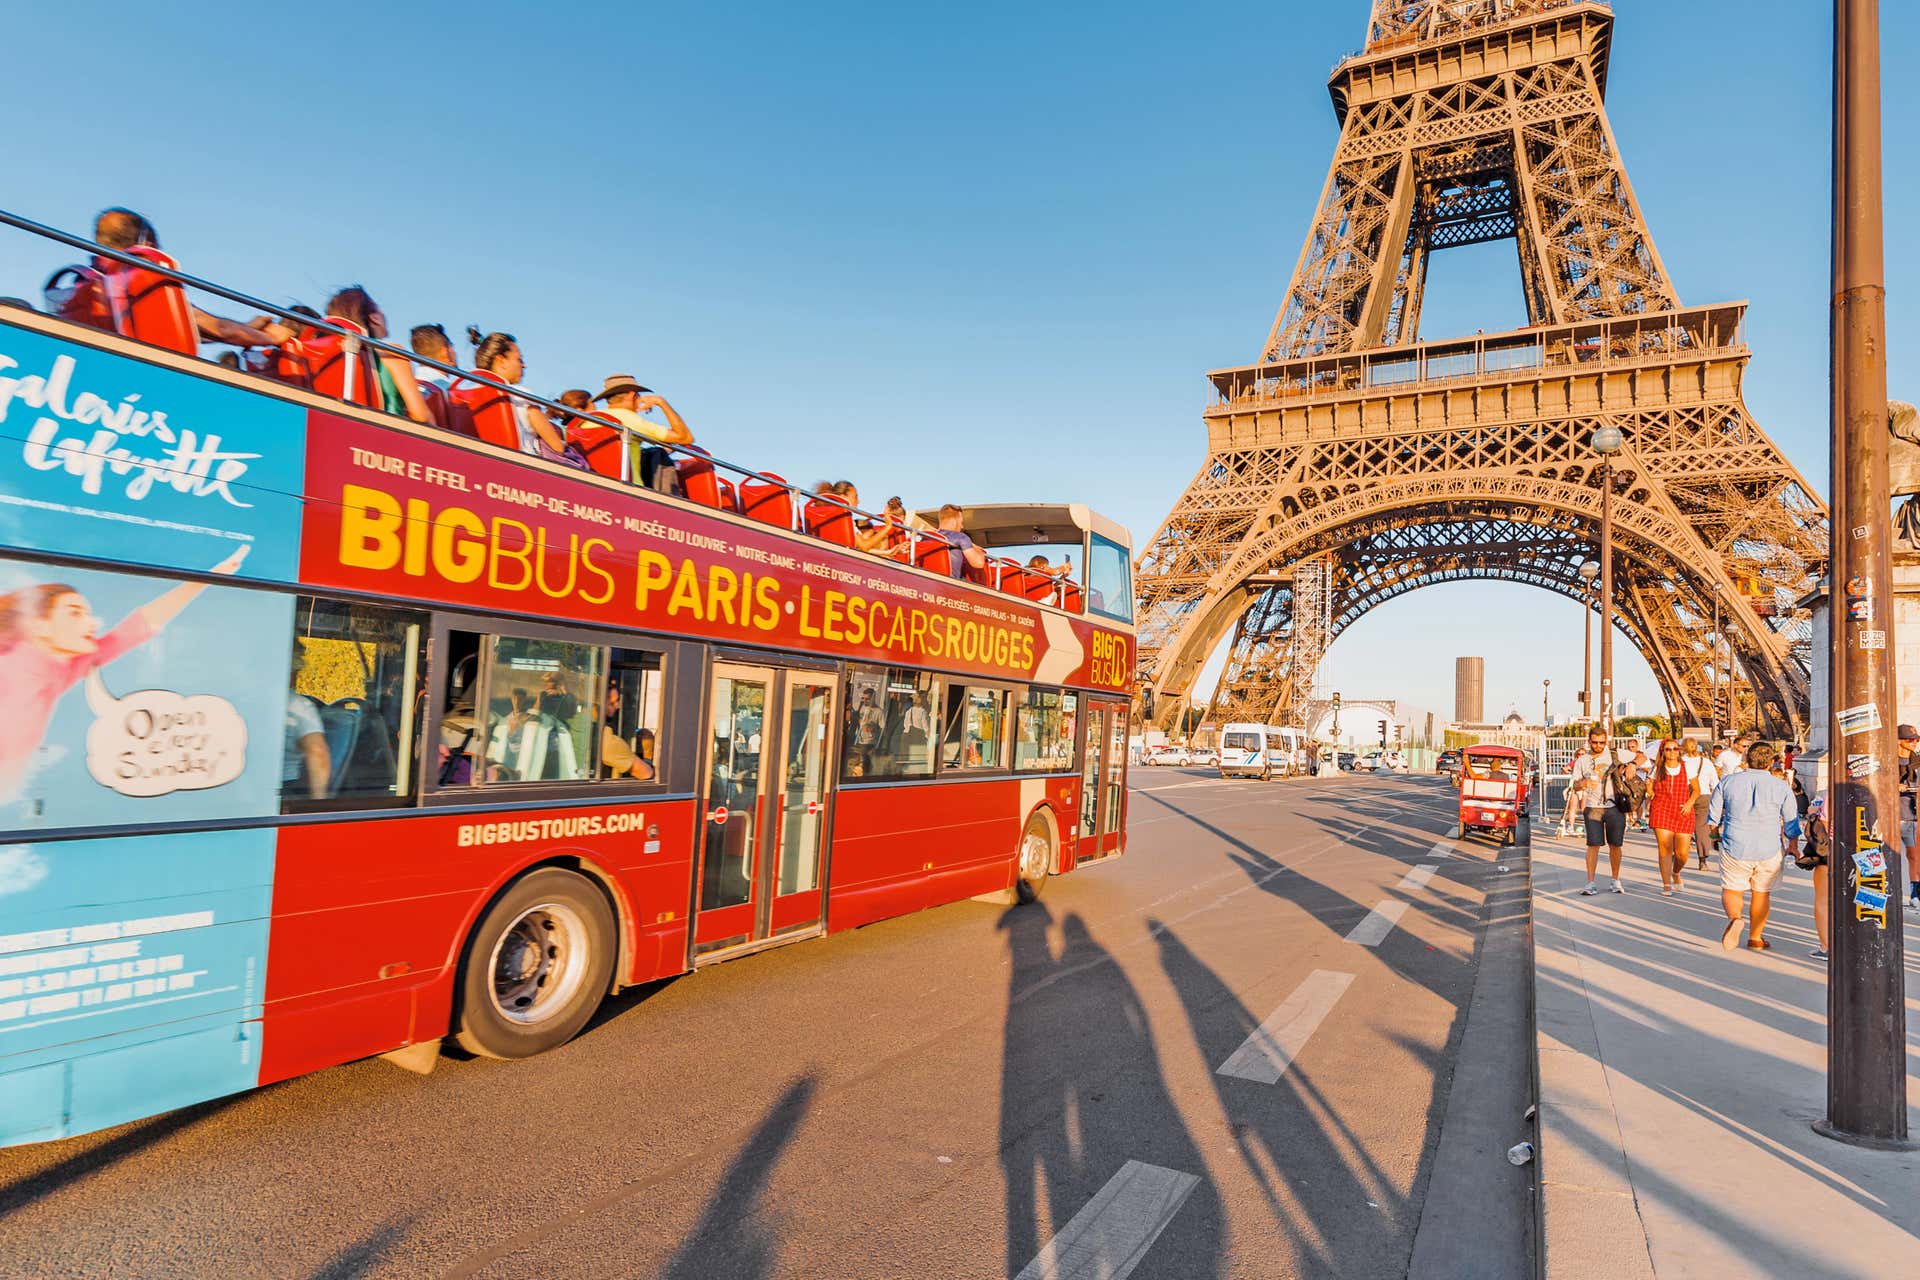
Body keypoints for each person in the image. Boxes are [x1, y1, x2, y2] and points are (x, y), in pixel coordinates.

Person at [0, 548, 246, 801]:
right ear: (39, 626)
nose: (93, 623)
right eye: (75, 613)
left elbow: (134, 629)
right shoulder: (11, 671)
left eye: (87, 613)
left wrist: (208, 578)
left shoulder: (64, 666)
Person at [79, 208, 293, 350]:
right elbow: (219, 328)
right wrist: (270, 338)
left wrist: (249, 327)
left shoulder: (89, 280)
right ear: (148, 244)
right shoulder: (136, 281)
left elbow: (187, 327)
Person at [1707, 740, 1800, 951]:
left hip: (1735, 844)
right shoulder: (1780, 786)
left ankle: (1735, 918)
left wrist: (1714, 836)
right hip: (1769, 847)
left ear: (1746, 759)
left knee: (1732, 889)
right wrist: (1793, 845)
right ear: (1770, 762)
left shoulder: (1728, 782)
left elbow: (1713, 817)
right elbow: (1791, 820)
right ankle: (1756, 938)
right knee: (1761, 893)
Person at [313, 287, 431, 423]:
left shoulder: (330, 352)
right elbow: (421, 415)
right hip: (387, 433)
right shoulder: (391, 352)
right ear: (375, 318)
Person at [463, 329, 575, 460]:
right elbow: (557, 447)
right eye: (519, 359)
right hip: (525, 466)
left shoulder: (468, 393)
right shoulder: (522, 396)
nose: (524, 365)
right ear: (502, 361)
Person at [592, 375, 694, 492]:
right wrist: (661, 402)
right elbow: (685, 437)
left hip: (595, 482)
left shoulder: (589, 418)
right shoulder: (630, 419)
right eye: (638, 395)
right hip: (630, 488)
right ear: (632, 394)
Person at [1568, 727, 1628, 895]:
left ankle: (1615, 880)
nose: (1598, 745)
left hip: (1614, 806)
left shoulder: (1614, 754)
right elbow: (1574, 785)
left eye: (1602, 742)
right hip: (1593, 806)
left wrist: (1633, 765)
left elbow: (1643, 757)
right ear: (1589, 742)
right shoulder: (1583, 760)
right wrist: (1583, 783)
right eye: (1595, 742)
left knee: (1615, 845)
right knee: (1593, 845)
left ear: (1606, 741)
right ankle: (1590, 882)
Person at [1646, 739, 1699, 894]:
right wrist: (1651, 792)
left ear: (1679, 751)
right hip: (1662, 809)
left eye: (1675, 749)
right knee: (1665, 849)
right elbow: (1648, 784)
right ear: (1663, 751)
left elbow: (1696, 789)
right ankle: (1666, 884)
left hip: (1683, 810)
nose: (1672, 752)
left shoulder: (1687, 767)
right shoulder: (1657, 768)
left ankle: (1675, 872)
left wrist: (1690, 803)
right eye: (1668, 749)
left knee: (1682, 853)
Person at [284, 647, 331, 802]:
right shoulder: (298, 705)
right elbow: (317, 751)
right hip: (284, 789)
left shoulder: (245, 700)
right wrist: (318, 804)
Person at [599, 683, 653, 781]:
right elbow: (645, 773)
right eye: (612, 703)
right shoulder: (607, 740)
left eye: (618, 701)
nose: (618, 706)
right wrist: (648, 754)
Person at [1679, 736, 1719, 868]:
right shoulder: (1706, 762)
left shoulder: (1680, 762)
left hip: (1684, 796)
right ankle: (1703, 860)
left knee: (1681, 827)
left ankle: (1678, 853)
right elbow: (1715, 783)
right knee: (1701, 829)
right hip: (1703, 795)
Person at [1801, 794, 1831, 959]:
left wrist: (1813, 813)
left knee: (1823, 900)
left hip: (1831, 851)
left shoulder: (1835, 792)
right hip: (1862, 851)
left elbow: (1824, 825)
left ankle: (1826, 946)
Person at [935, 504, 988, 578]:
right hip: (952, 583)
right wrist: (978, 549)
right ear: (955, 520)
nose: (962, 526)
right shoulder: (960, 537)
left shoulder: (928, 536)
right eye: (961, 522)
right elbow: (978, 563)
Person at [1898, 724, 1919, 908]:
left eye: (1916, 739)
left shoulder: (1916, 762)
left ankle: (1915, 894)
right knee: (1886, 856)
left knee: (1914, 856)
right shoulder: (1888, 761)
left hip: (1911, 816)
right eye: (1909, 739)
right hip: (1890, 817)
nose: (1914, 743)